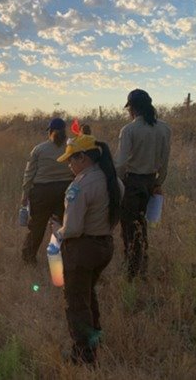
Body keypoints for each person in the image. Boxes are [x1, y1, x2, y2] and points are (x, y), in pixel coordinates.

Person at [50, 134, 124, 366]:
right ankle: (95, 337)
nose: (69, 165)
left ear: (83, 158)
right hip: (104, 246)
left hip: (82, 250)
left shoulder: (80, 185)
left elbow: (72, 228)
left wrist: (56, 231)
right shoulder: (114, 181)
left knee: (76, 302)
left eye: (71, 160)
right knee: (87, 293)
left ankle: (83, 355)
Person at [115, 89, 171, 281]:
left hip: (131, 183)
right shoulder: (164, 128)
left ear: (132, 108)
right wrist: (157, 183)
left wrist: (117, 183)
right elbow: (165, 162)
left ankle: (131, 272)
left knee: (130, 227)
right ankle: (142, 266)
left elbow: (121, 163)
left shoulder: (129, 130)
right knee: (141, 224)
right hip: (150, 183)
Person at [20, 118, 74, 265]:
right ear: (65, 131)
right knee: (64, 226)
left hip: (42, 192)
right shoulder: (72, 147)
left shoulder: (39, 149)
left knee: (37, 226)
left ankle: (29, 258)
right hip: (65, 191)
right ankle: (66, 258)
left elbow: (29, 174)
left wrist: (25, 195)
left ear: (49, 132)